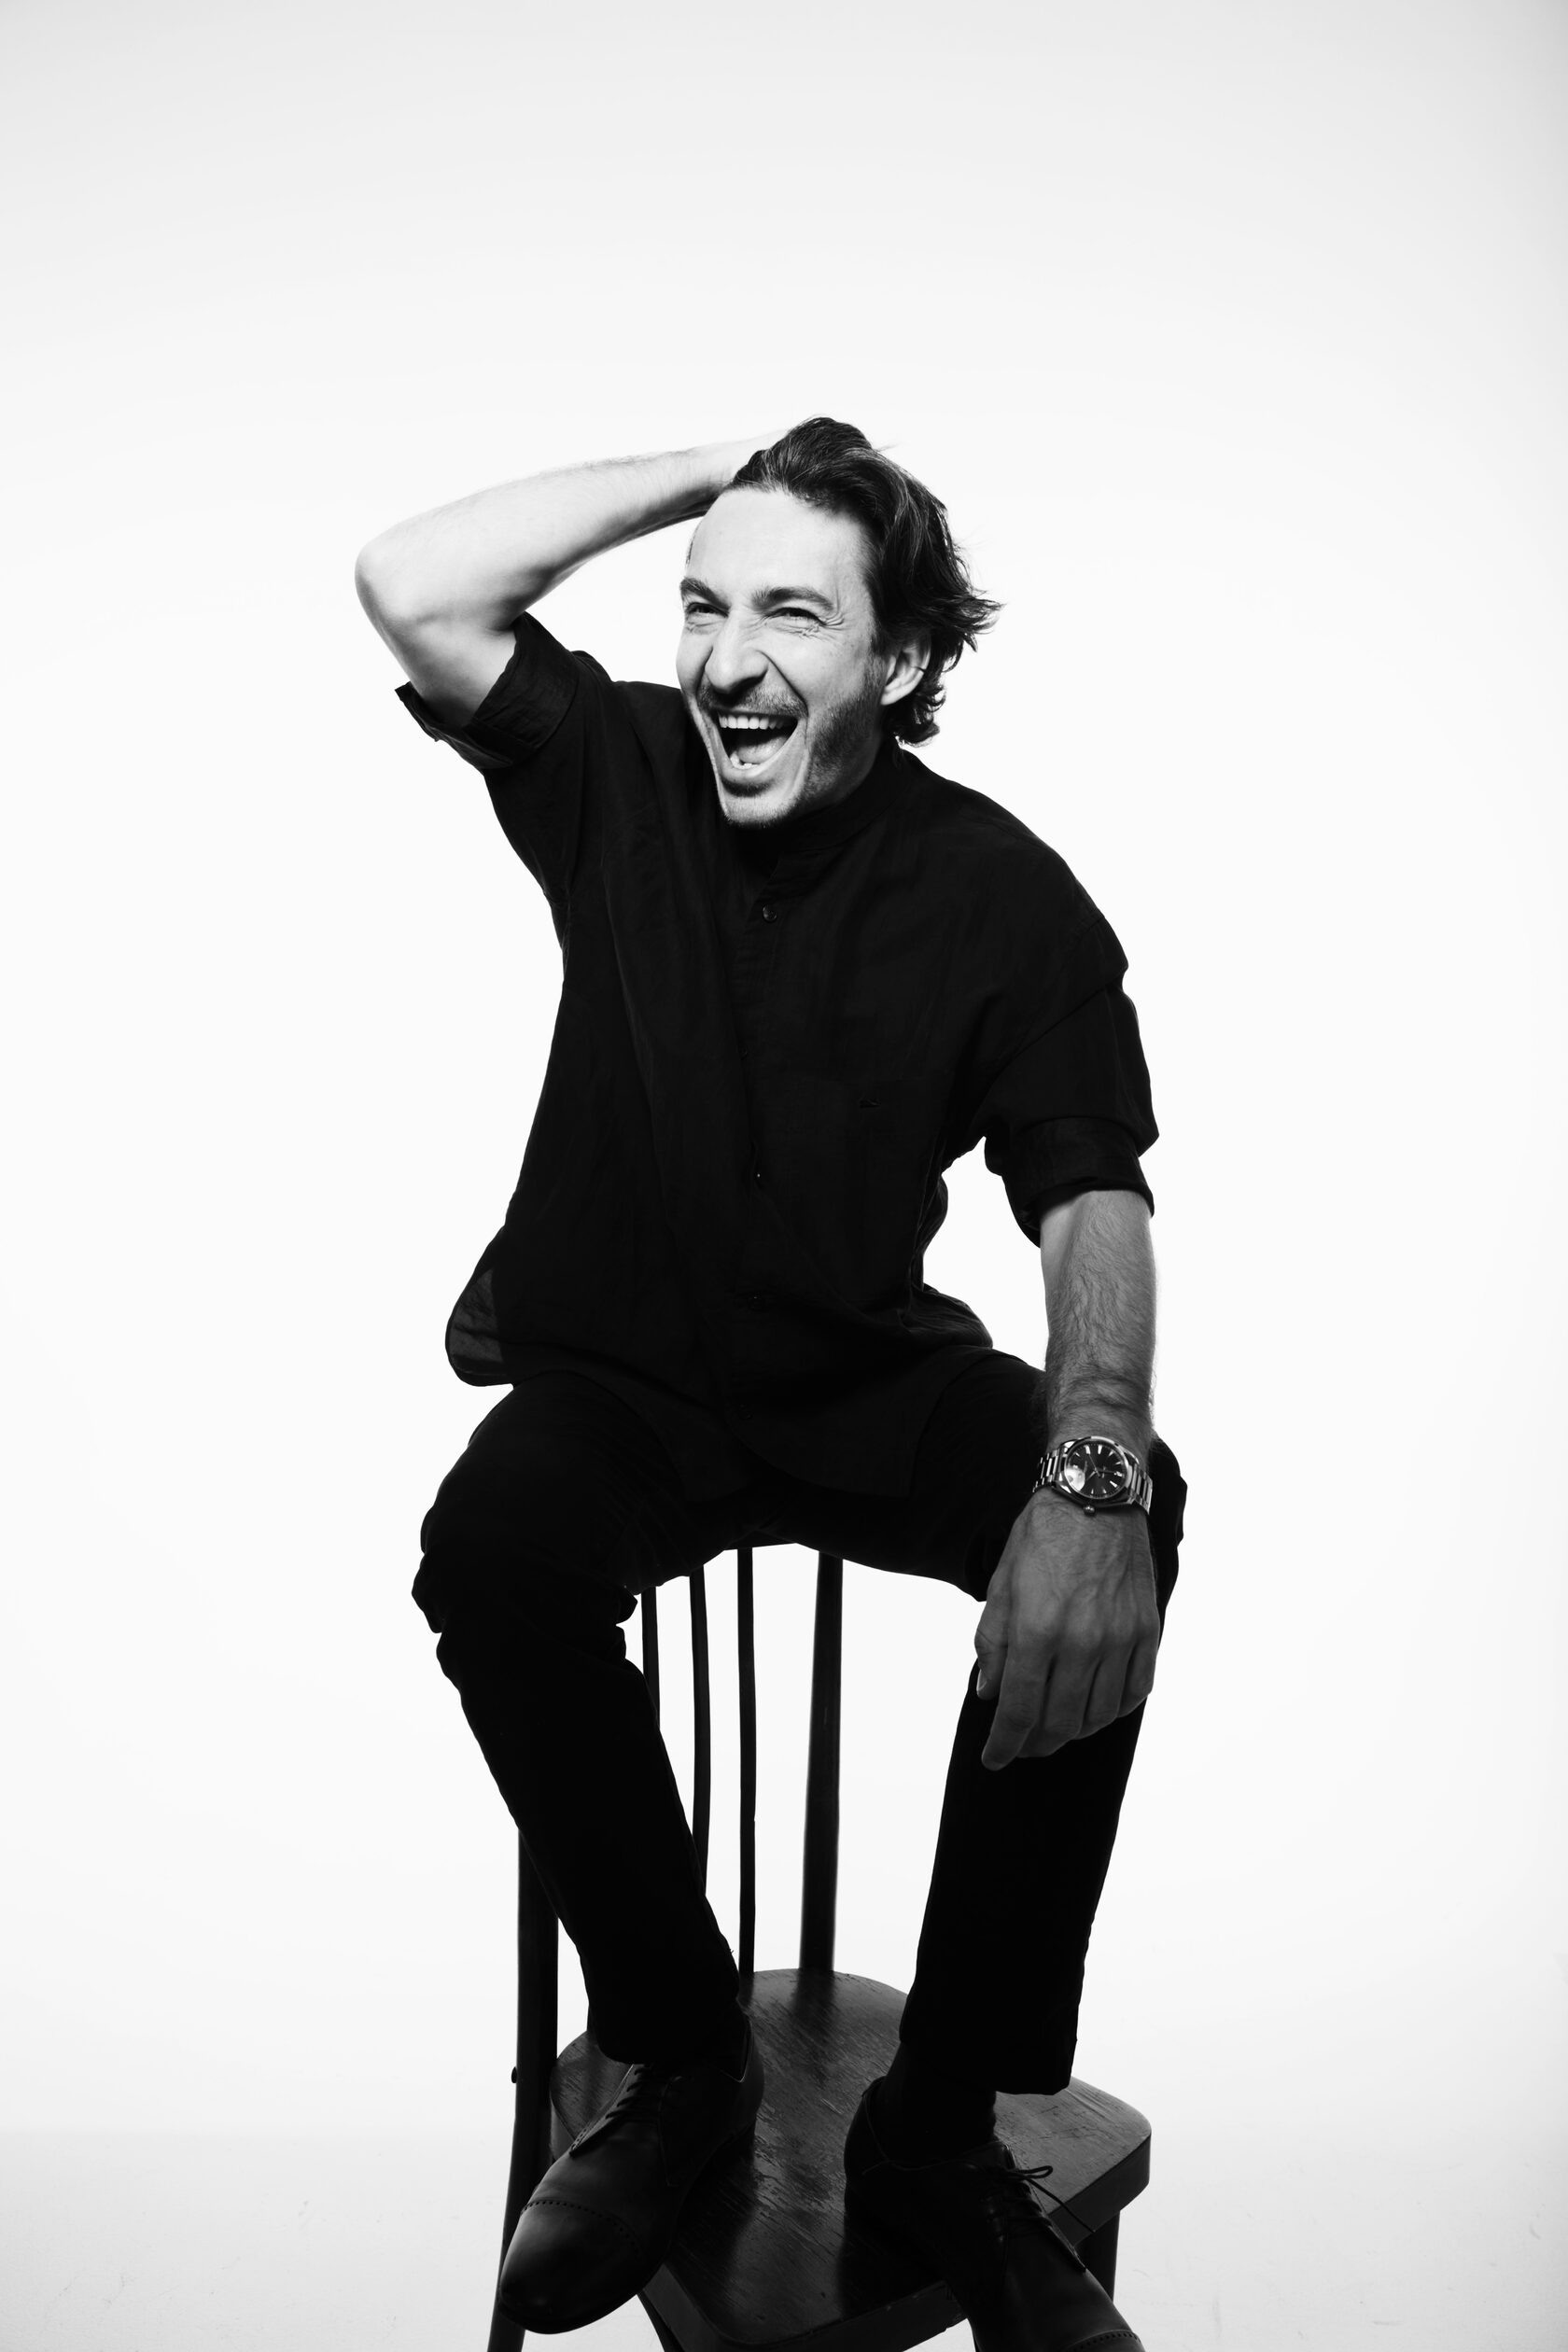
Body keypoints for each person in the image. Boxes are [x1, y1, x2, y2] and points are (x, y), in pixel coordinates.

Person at [355, 420, 1185, 2352]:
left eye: (792, 615)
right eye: (702, 606)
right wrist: (715, 475)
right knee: (496, 1550)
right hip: (624, 1383)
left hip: (856, 1379)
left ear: (900, 658)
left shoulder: (1004, 897)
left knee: (1122, 1510)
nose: (727, 659)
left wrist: (1093, 1471)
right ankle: (678, 2051)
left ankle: (940, 2132)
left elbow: (1090, 1193)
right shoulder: (620, 771)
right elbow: (414, 582)